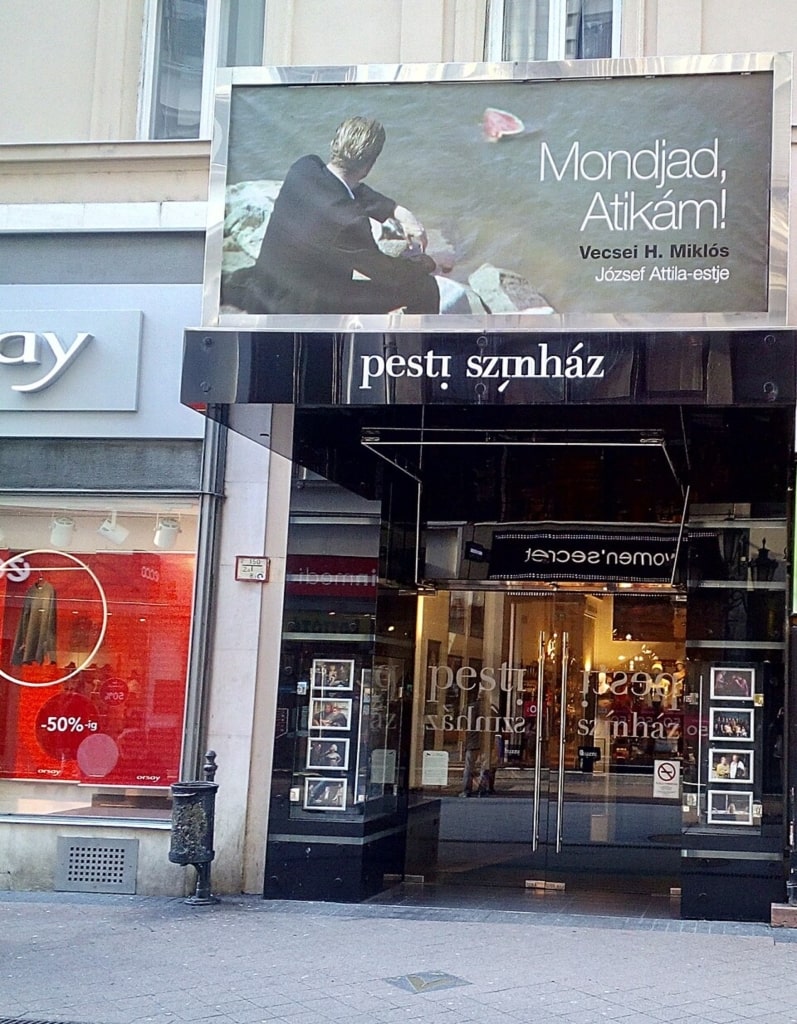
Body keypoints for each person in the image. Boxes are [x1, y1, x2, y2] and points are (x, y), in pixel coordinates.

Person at [224, 116, 447, 316]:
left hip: (265, 288)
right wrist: (425, 263)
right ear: (369, 165)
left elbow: (349, 190)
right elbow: (388, 275)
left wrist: (396, 211)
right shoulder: (349, 222)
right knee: (424, 288)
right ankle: (411, 357)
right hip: (302, 310)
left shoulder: (304, 168)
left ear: (334, 145)